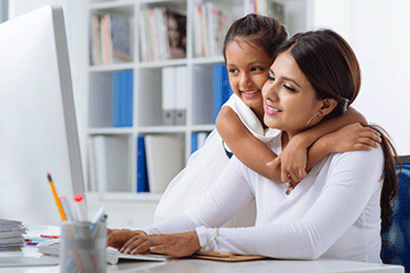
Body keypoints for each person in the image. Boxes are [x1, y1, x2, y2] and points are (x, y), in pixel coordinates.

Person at [107, 29, 398, 263]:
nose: (268, 92)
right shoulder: (264, 146)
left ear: (324, 106)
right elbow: (198, 217)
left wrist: (202, 240)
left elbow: (311, 239)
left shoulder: (359, 148)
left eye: (289, 87)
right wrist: (132, 235)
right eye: (272, 76)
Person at [154, 14, 380, 226]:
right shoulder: (228, 118)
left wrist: (301, 141)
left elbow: (354, 117)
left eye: (256, 69)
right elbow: (278, 174)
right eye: (233, 71)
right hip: (219, 199)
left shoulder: (290, 104)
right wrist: (326, 144)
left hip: (262, 199)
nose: (244, 82)